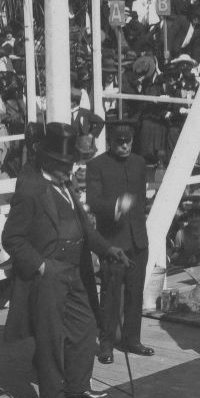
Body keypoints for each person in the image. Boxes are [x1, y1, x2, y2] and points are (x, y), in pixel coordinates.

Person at [2, 122, 130, 398]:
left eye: (70, 163)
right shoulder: (32, 189)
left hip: (76, 269)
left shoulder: (66, 185)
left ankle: (77, 386)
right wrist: (41, 266)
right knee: (50, 337)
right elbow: (12, 238)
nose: (69, 169)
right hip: (50, 273)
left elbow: (85, 228)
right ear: (48, 161)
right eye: (63, 164)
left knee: (85, 327)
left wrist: (107, 249)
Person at [85, 119, 154, 365]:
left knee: (136, 293)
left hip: (138, 239)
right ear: (110, 141)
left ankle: (132, 340)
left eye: (128, 142)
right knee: (110, 296)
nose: (124, 146)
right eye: (119, 142)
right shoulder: (96, 165)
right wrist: (114, 208)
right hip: (113, 241)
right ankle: (106, 345)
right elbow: (92, 200)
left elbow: (141, 198)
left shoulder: (139, 163)